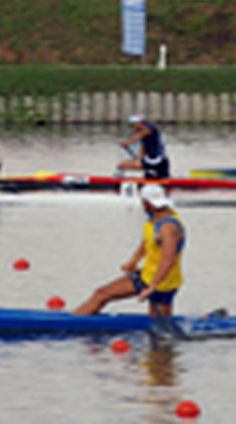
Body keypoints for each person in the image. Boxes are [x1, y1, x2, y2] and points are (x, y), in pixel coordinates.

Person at [73, 184, 185, 319]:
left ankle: (70, 323)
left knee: (101, 294)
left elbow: (168, 260)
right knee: (158, 324)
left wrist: (151, 287)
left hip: (159, 282)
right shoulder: (155, 218)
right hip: (153, 277)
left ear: (146, 202)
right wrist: (134, 260)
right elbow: (148, 241)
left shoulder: (168, 228)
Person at [117, 113, 171, 179]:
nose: (132, 127)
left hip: (156, 160)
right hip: (155, 160)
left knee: (121, 165)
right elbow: (143, 149)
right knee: (159, 178)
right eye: (130, 125)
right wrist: (139, 159)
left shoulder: (150, 128)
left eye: (132, 125)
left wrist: (127, 141)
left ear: (140, 122)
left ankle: (115, 182)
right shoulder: (144, 135)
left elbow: (141, 134)